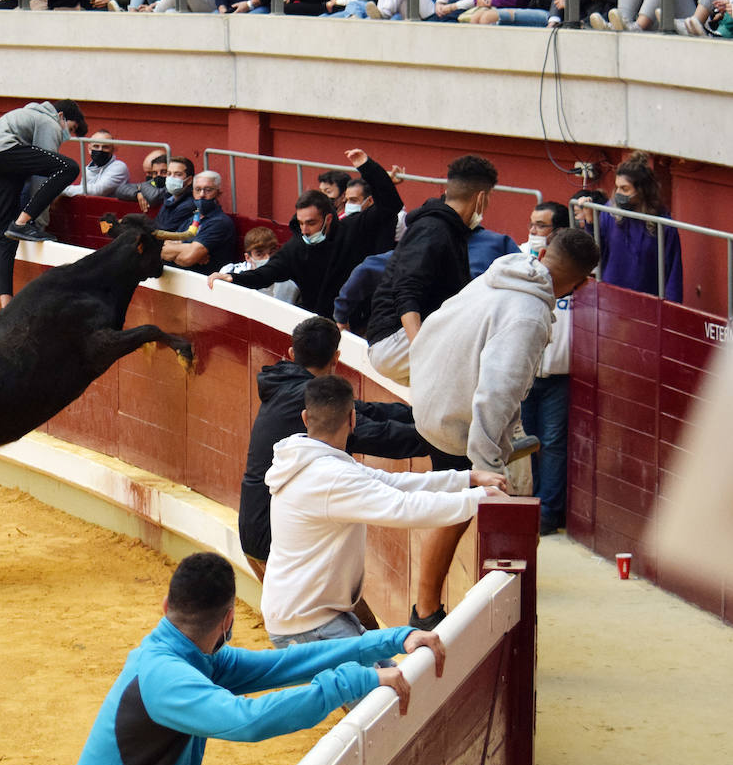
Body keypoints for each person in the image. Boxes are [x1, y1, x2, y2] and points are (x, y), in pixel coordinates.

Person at [51, 550, 445, 765]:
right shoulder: (167, 678)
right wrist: (356, 680)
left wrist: (391, 640)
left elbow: (289, 662)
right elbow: (249, 721)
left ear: (165, 604)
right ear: (227, 620)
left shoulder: (192, 661)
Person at [408, 229, 599, 624]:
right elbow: (496, 392)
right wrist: (488, 467)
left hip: (436, 400)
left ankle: (426, 609)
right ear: (581, 285)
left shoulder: (499, 273)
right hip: (457, 419)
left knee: (456, 509)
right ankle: (424, 612)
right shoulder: (528, 316)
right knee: (458, 509)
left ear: (542, 252)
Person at [261, 375, 506, 642]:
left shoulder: (314, 460)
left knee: (390, 680)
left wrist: (467, 479)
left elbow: (393, 483)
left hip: (312, 616)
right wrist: (478, 498)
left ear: (306, 418)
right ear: (353, 419)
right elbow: (403, 507)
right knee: (385, 682)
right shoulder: (331, 475)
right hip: (309, 625)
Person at [239, 317, 430, 578]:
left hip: (256, 527)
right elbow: (375, 433)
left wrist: (420, 414)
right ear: (336, 357)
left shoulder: (286, 385)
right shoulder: (311, 395)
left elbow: (366, 411)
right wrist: (442, 437)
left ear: (293, 353)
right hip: (279, 537)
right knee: (341, 611)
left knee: (338, 609)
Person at [209, 149, 404, 320]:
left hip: (361, 320)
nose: (304, 230)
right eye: (301, 223)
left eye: (311, 223)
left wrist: (367, 166)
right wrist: (234, 278)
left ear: (328, 219)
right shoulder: (295, 248)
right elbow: (267, 273)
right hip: (320, 322)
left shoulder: (353, 228)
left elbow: (390, 205)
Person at [364, 154, 497, 385]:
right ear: (481, 197)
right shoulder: (434, 228)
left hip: (400, 338)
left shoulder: (449, 229)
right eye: (489, 198)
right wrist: (421, 349)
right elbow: (407, 289)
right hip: (396, 339)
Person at [0, 99, 88, 305]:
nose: (66, 135)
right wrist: (37, 223)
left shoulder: (23, 116)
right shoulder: (49, 121)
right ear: (61, 116)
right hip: (4, 153)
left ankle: (5, 307)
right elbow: (40, 180)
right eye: (70, 129)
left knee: (5, 235)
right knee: (68, 167)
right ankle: (21, 222)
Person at [519, 201, 574, 535]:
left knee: (552, 443)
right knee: (526, 442)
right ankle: (529, 506)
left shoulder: (579, 269)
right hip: (524, 370)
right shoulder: (519, 258)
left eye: (541, 225)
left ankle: (548, 512)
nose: (534, 231)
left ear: (559, 231)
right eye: (532, 224)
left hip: (559, 372)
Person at [597, 151, 683, 301]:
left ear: (642, 190)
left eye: (625, 189)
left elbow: (673, 274)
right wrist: (590, 223)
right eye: (617, 187)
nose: (618, 193)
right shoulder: (609, 212)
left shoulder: (663, 225)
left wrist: (672, 309)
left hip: (646, 301)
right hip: (610, 298)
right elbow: (595, 251)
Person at [159, 170, 237, 275]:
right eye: (198, 189)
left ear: (218, 193)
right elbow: (162, 247)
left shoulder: (220, 222)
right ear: (193, 192)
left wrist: (180, 250)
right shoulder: (192, 218)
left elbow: (187, 259)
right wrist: (189, 247)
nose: (202, 195)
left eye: (208, 190)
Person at [70, 130, 130, 197]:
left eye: (105, 147)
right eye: (96, 146)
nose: (100, 150)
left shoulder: (119, 167)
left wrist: (63, 189)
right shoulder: (88, 169)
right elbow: (82, 193)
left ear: (113, 149)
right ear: (89, 149)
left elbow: (98, 190)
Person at [155, 155, 196, 231]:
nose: (171, 178)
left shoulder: (189, 205)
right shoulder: (169, 198)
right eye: (169, 174)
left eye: (178, 174)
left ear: (189, 180)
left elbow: (166, 230)